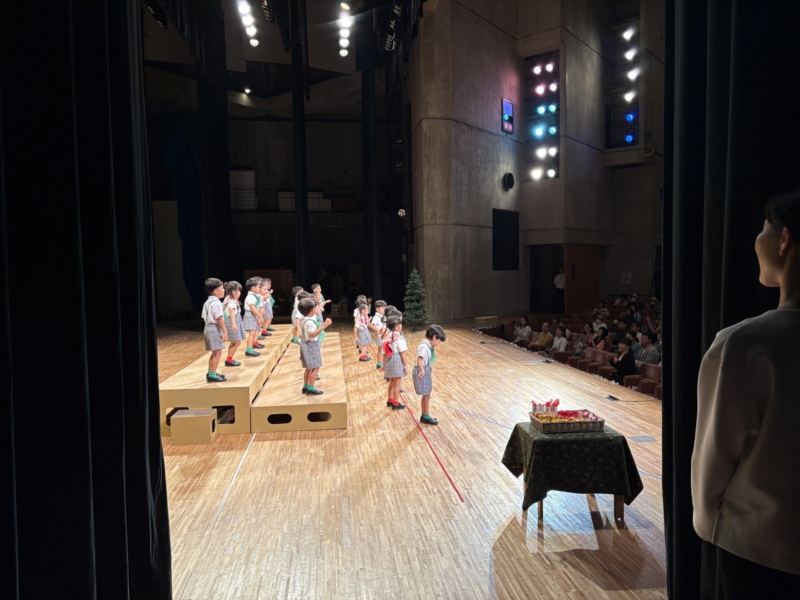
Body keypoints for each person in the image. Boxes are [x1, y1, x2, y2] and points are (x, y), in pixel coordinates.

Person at [692, 191, 800, 595]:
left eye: (763, 229)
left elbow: (714, 457)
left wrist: (710, 524)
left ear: (784, 240)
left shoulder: (743, 344)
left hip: (755, 547)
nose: (757, 240)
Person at [298, 297, 331, 395]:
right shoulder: (310, 322)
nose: (318, 308)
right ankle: (311, 388)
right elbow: (313, 334)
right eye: (317, 307)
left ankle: (305, 386)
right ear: (312, 310)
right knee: (315, 367)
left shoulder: (305, 320)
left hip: (305, 345)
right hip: (311, 346)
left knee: (308, 368)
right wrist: (324, 326)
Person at [413, 325, 446, 426]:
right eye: (439, 340)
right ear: (434, 337)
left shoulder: (427, 346)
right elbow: (419, 359)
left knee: (427, 394)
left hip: (425, 370)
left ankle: (425, 415)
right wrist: (423, 370)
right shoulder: (424, 346)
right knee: (426, 394)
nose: (439, 343)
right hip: (422, 371)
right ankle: (425, 417)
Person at [201, 278, 228, 383]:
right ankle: (212, 375)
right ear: (216, 291)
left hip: (208, 327)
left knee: (214, 353)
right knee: (217, 353)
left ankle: (211, 372)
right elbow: (219, 318)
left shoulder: (207, 302)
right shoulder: (216, 303)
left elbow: (204, 316)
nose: (224, 290)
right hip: (214, 328)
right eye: (222, 288)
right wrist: (225, 332)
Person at [383, 315, 407, 410]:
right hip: (397, 361)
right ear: (396, 327)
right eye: (400, 324)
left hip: (389, 360)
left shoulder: (388, 337)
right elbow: (403, 353)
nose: (401, 325)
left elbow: (384, 353)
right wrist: (405, 365)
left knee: (391, 383)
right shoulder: (399, 338)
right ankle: (396, 403)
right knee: (397, 385)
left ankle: (390, 400)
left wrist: (384, 365)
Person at [222, 281, 244, 368]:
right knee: (237, 342)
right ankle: (229, 360)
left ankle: (229, 359)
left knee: (233, 342)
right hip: (232, 322)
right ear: (234, 292)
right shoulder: (231, 302)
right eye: (239, 291)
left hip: (232, 321)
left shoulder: (228, 299)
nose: (240, 293)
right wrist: (234, 324)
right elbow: (232, 312)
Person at [243, 277, 264, 357]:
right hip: (250, 315)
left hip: (253, 315)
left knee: (254, 333)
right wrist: (259, 316)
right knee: (252, 333)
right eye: (258, 287)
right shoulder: (251, 297)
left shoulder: (254, 296)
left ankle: (250, 348)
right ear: (253, 288)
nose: (259, 288)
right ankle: (249, 350)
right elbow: (252, 308)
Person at [370, 300, 388, 368]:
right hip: (380, 336)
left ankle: (384, 362)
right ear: (377, 309)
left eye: (385, 308)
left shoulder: (383, 316)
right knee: (381, 350)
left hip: (385, 335)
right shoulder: (376, 317)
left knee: (385, 349)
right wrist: (378, 330)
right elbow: (371, 325)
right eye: (382, 308)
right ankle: (379, 363)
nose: (384, 310)